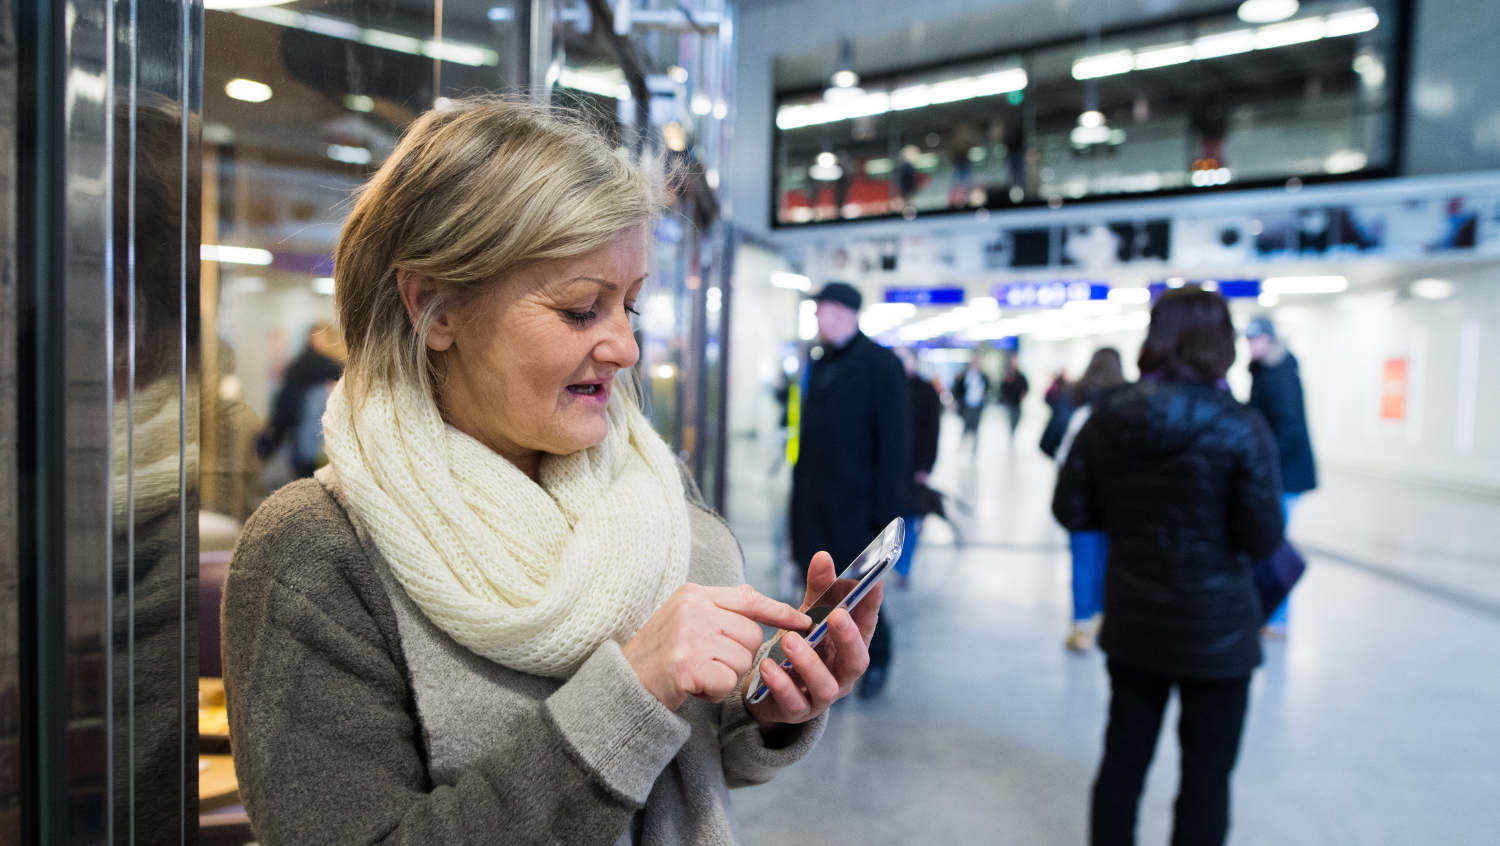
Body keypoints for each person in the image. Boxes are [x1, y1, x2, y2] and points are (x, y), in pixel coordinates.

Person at [223, 98, 882, 846]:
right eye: (580, 311)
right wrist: (629, 696)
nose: (626, 350)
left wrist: (765, 706)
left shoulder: (653, 484)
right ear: (433, 307)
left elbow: (684, 762)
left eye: (629, 308)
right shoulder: (314, 554)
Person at [1053, 287, 1283, 846]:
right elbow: (1264, 536)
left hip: (1134, 621)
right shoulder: (1240, 425)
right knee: (1206, 777)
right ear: (1221, 344)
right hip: (1218, 632)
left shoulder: (1107, 417)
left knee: (1123, 762)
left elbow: (1071, 508)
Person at [790, 281, 910, 699]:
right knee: (823, 591)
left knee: (861, 592)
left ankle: (878, 658)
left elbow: (895, 445)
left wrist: (887, 513)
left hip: (858, 505)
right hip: (816, 499)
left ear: (843, 312)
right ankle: (825, 666)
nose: (818, 318)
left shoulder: (880, 364)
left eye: (822, 310)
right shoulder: (821, 362)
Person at [1048, 348, 1126, 652]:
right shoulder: (1127, 402)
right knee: (1109, 559)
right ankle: (1105, 618)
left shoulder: (1074, 398)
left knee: (1082, 561)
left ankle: (1082, 627)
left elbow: (1055, 444)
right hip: (1115, 498)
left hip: (1080, 496)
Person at [1245, 316, 1318, 638]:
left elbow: (1287, 431)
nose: (1250, 346)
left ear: (1270, 340)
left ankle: (1277, 618)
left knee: (1274, 547)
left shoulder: (1279, 376)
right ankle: (1271, 615)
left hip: (1284, 476)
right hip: (1280, 473)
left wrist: (1265, 469)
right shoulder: (1266, 371)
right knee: (1271, 542)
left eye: (1255, 339)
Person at [257, 323, 343, 478]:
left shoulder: (298, 365)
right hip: (307, 432)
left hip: (299, 431)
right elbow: (339, 370)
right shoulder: (314, 363)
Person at [893, 347, 942, 591]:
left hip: (914, 466)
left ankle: (904, 567)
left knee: (909, 517)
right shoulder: (888, 387)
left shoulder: (925, 391)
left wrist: (926, 466)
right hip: (889, 466)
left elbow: (933, 432)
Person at [951, 354, 989, 451]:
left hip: (978, 406)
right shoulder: (965, 375)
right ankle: (961, 447)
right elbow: (957, 388)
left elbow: (987, 388)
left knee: (976, 429)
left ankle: (974, 451)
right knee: (965, 427)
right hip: (967, 405)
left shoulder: (983, 376)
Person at [998, 357, 1029, 438]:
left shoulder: (1021, 377)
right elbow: (1003, 388)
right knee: (1010, 420)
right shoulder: (1008, 376)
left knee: (1016, 419)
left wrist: (1023, 394)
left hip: (1017, 403)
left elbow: (1026, 388)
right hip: (1009, 403)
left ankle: (1013, 433)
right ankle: (1011, 435)